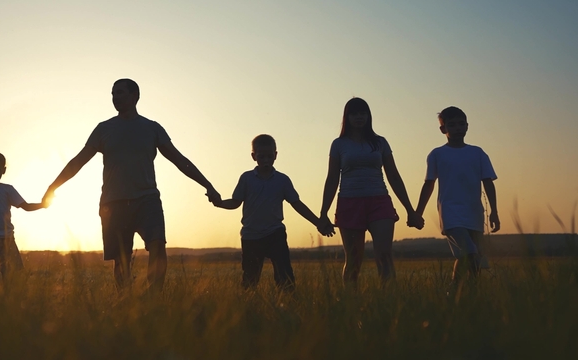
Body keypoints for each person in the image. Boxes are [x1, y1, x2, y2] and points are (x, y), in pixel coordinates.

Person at [42, 78, 221, 291]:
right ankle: (125, 301)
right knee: (122, 259)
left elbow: (179, 160)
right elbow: (78, 161)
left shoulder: (152, 128)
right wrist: (52, 187)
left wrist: (207, 185)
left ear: (135, 96)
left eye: (120, 93)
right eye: (113, 94)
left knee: (157, 245)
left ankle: (155, 299)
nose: (115, 97)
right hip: (113, 203)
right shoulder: (104, 129)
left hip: (147, 200)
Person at [319, 98, 421, 286]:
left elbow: (394, 176)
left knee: (384, 255)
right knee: (354, 259)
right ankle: (350, 304)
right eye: (354, 113)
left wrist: (410, 209)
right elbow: (332, 178)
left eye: (363, 113)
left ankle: (389, 302)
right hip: (349, 203)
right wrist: (323, 213)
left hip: (379, 201)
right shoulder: (339, 144)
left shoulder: (380, 143)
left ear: (369, 116)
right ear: (347, 117)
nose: (359, 117)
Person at [214, 135, 334, 289]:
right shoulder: (246, 178)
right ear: (253, 156)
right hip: (251, 236)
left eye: (269, 156)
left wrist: (318, 222)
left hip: (275, 234)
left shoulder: (282, 180)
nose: (265, 160)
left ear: (275, 155)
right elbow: (235, 202)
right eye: (261, 156)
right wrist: (220, 203)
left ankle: (287, 305)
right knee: (250, 279)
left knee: (285, 277)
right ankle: (249, 309)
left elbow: (297, 204)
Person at [414, 106, 499, 285]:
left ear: (467, 126)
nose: (458, 128)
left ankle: (463, 294)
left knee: (470, 258)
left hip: (474, 213)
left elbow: (488, 183)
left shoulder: (478, 153)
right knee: (470, 251)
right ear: (443, 129)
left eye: (461, 124)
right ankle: (456, 293)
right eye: (452, 125)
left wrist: (494, 211)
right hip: (450, 213)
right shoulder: (437, 154)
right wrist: (418, 212)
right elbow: (429, 184)